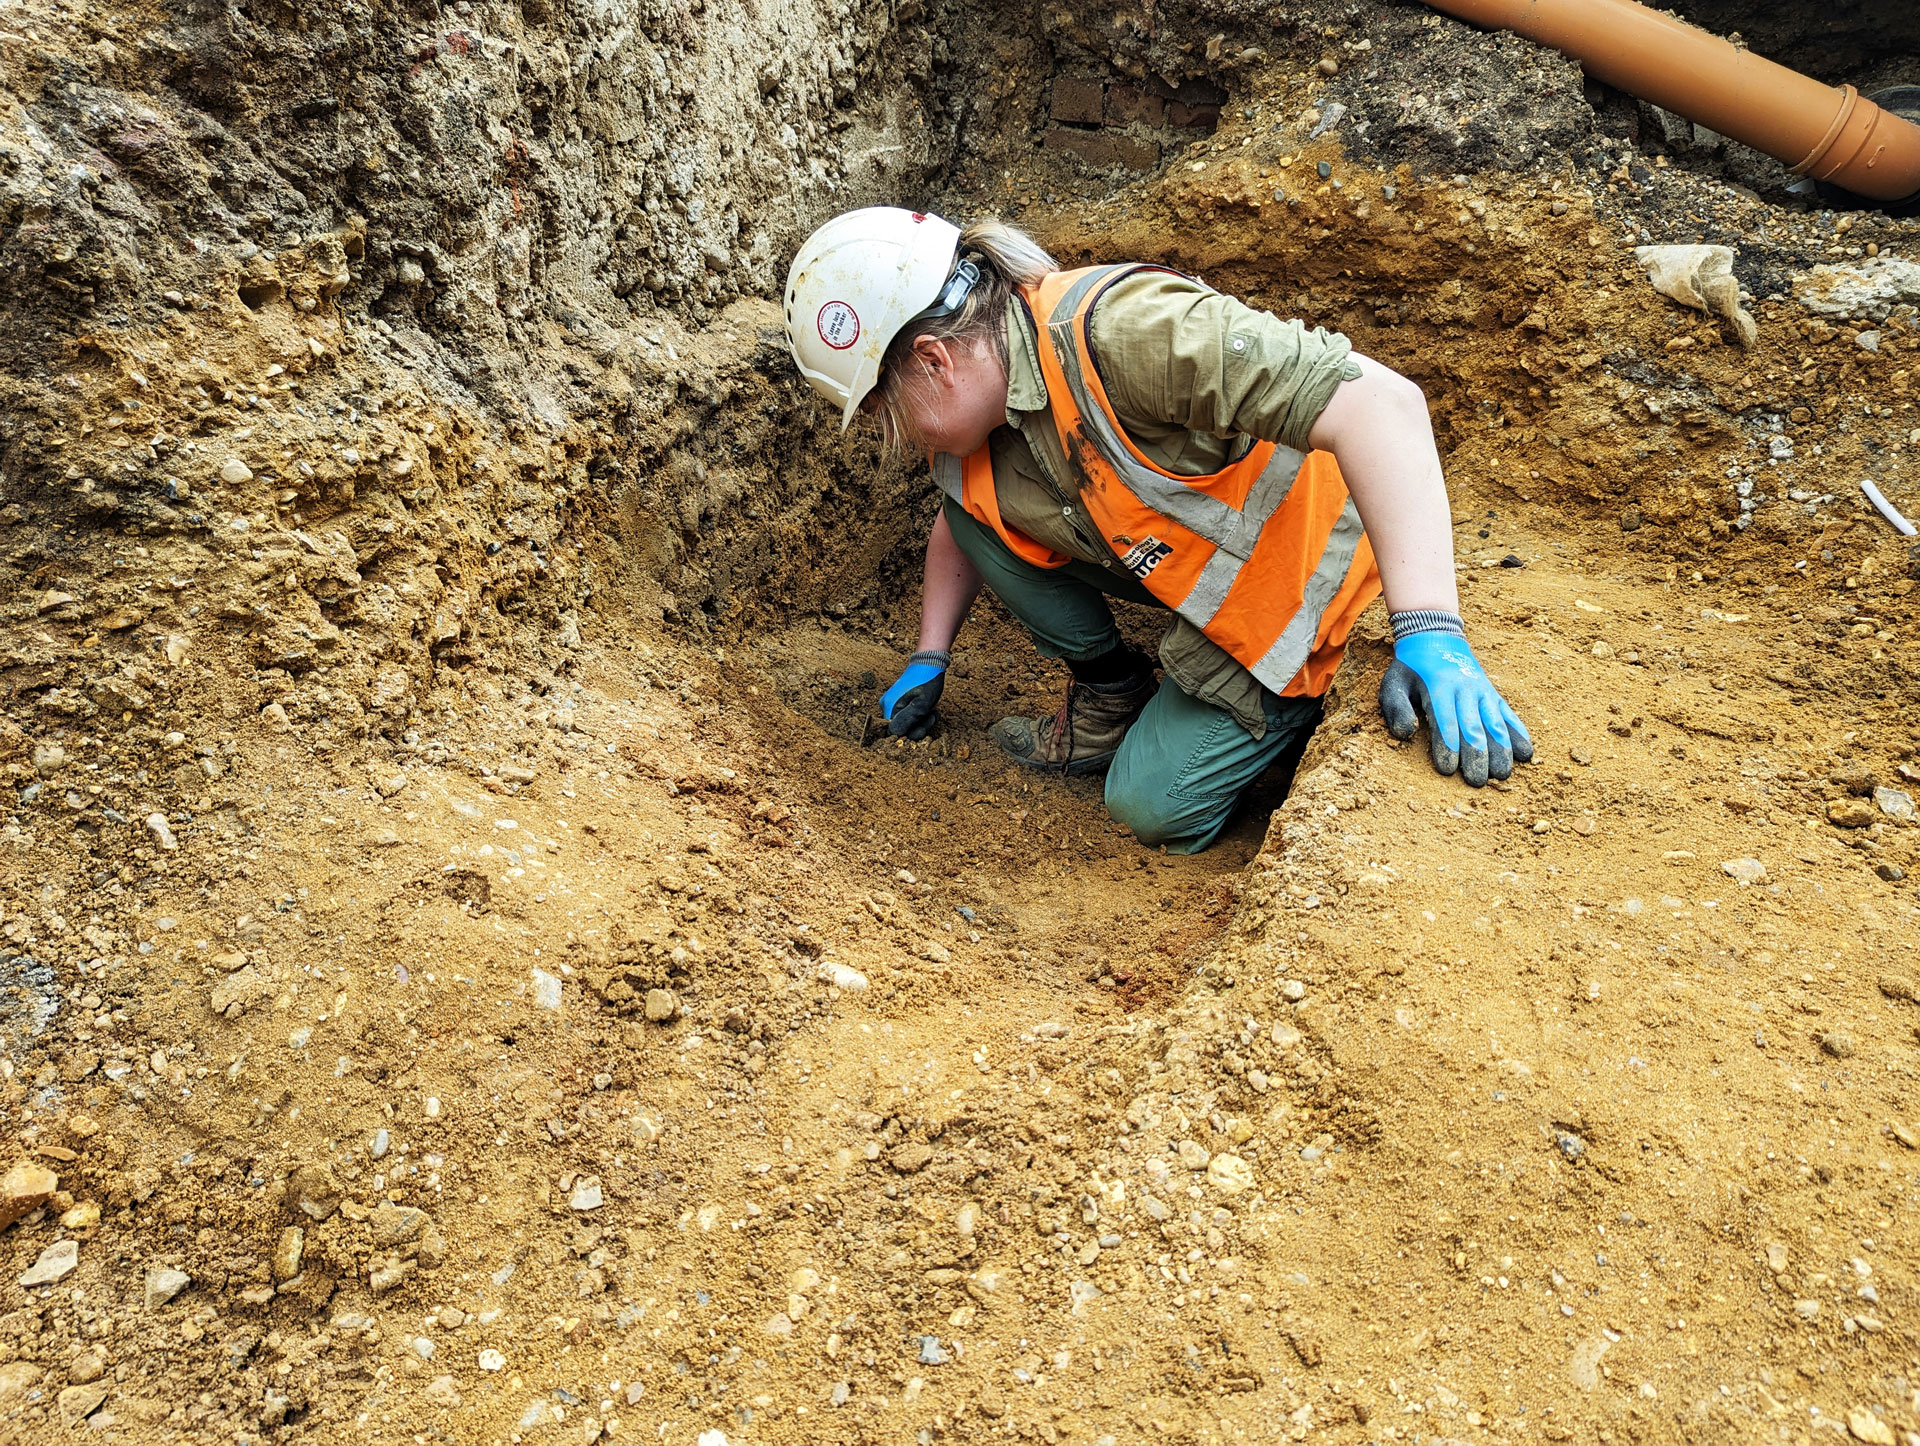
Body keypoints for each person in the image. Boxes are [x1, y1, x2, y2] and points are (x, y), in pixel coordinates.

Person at [782, 207, 1532, 854]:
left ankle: (1292, 727)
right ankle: (1113, 702)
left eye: (885, 413)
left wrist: (1428, 625)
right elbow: (968, 521)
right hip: (1215, 588)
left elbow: (1383, 406)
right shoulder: (990, 414)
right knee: (976, 518)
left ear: (934, 359)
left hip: (1316, 592)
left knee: (1149, 807)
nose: (898, 437)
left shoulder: (1122, 332)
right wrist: (928, 655)